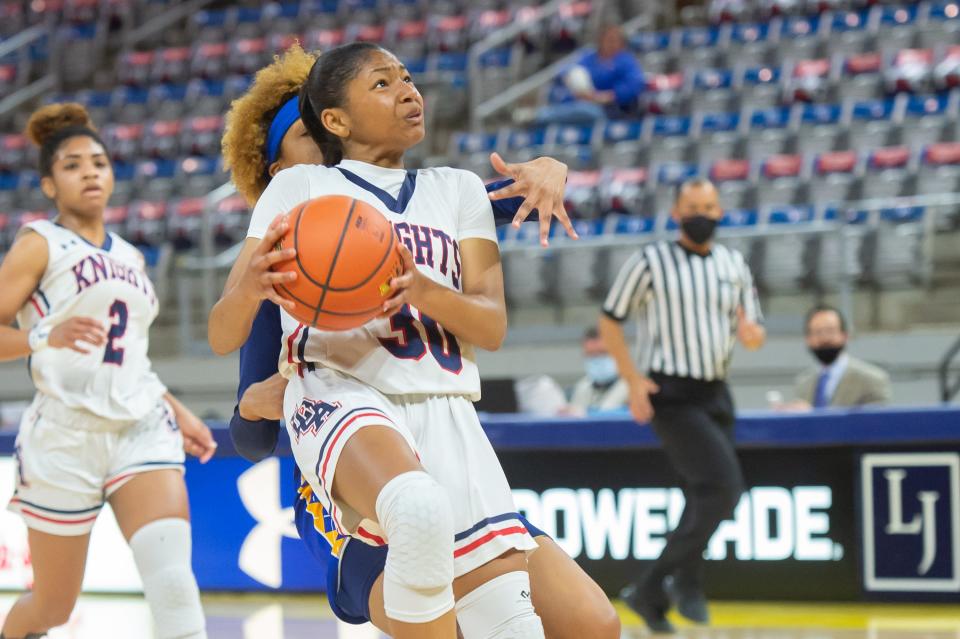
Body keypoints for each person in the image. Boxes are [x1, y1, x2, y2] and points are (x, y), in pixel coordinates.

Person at [218, 43, 618, 639]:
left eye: (406, 78)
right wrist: (255, 400)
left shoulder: (440, 193)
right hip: (346, 446)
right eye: (302, 138)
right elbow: (247, 422)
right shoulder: (290, 231)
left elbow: (447, 219)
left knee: (588, 624)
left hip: (442, 416)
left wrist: (548, 166)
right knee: (418, 516)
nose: (407, 91)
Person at [0, 104, 217, 639]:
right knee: (51, 607)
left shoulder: (130, 255)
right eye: (73, 165)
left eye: (98, 161)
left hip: (140, 427)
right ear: (49, 185)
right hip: (64, 437)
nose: (91, 172)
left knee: (172, 585)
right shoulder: (39, 243)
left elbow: (132, 357)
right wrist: (42, 335)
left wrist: (176, 408)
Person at [598, 177, 766, 634]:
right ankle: (652, 585)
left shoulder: (734, 263)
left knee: (701, 496)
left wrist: (753, 335)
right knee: (725, 489)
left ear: (720, 211)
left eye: (710, 206)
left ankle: (678, 588)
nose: (702, 213)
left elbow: (754, 328)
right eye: (692, 206)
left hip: (717, 391)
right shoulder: (650, 260)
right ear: (676, 213)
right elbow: (610, 321)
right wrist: (633, 381)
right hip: (670, 393)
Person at [785, 304, 891, 409]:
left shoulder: (872, 380)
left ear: (844, 335)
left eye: (830, 331)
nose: (824, 338)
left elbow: (875, 423)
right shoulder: (803, 383)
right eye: (817, 332)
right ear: (808, 339)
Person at [537, 24, 644, 125]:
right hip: (581, 102)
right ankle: (539, 117)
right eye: (607, 39)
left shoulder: (626, 61)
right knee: (560, 102)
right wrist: (577, 88)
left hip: (609, 110)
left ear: (621, 43)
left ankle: (539, 117)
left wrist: (601, 97)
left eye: (614, 40)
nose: (610, 43)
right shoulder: (589, 57)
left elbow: (633, 85)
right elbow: (566, 70)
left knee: (584, 111)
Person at [568, 326, 628, 415]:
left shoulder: (634, 388)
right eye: (591, 355)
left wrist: (585, 412)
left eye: (603, 353)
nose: (597, 360)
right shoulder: (582, 388)